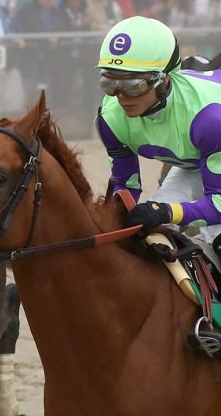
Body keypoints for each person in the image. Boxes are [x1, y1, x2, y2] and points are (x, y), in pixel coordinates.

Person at [95, 16, 221, 274]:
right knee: (142, 233)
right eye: (111, 84)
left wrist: (165, 212)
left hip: (212, 146)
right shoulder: (109, 119)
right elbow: (125, 185)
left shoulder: (209, 119)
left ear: (163, 80)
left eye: (133, 85)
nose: (121, 98)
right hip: (198, 160)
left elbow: (218, 204)